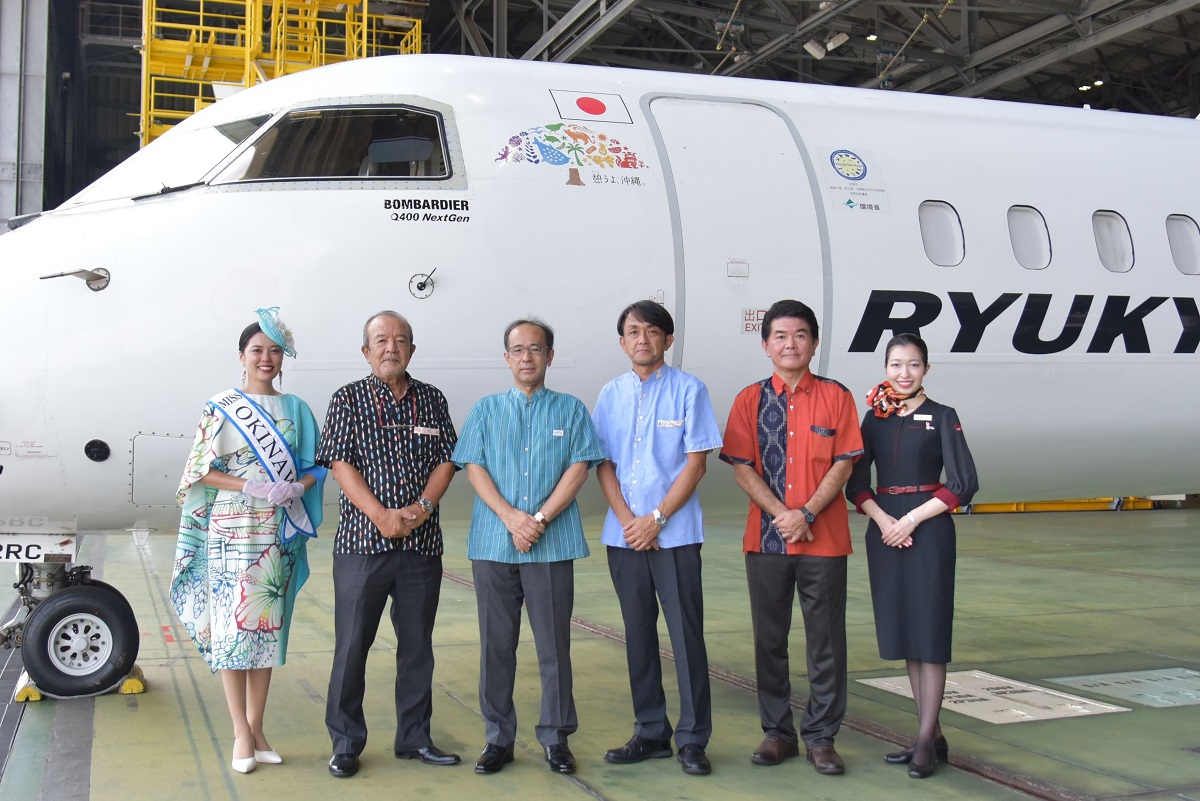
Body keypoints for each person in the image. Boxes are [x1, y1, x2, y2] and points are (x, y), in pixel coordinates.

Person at [171, 307, 326, 775]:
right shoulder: (220, 406)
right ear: (242, 356)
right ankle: (241, 731)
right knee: (234, 630)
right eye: (257, 350)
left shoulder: (297, 408)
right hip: (231, 528)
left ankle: (258, 728)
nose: (266, 358)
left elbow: (316, 466)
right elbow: (200, 471)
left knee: (266, 631)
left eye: (274, 351)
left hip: (277, 531)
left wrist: (297, 486)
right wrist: (250, 485)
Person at [452, 319, 605, 776]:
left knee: (554, 645)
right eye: (517, 350)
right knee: (496, 646)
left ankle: (556, 738)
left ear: (549, 356)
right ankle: (498, 739)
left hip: (551, 546)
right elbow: (473, 466)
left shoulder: (571, 410)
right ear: (506, 358)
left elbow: (579, 469)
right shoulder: (485, 410)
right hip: (493, 544)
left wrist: (537, 520)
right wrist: (510, 518)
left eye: (535, 349)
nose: (526, 357)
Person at [718, 299, 862, 777]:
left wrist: (808, 513)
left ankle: (821, 737)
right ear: (766, 345)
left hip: (825, 541)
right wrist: (785, 516)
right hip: (767, 541)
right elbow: (742, 467)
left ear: (814, 343)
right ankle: (777, 733)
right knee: (769, 640)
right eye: (780, 336)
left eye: (800, 335)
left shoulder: (837, 396)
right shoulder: (749, 400)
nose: (790, 344)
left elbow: (844, 463)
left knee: (826, 642)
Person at [315, 310, 460, 778]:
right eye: (380, 340)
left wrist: (421, 509)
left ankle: (414, 738)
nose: (390, 348)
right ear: (366, 351)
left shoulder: (432, 399)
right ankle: (345, 743)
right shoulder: (348, 399)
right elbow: (339, 463)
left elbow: (447, 460)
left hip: (421, 547)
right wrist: (381, 516)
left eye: (400, 340)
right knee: (351, 647)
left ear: (412, 349)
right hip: (362, 546)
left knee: (417, 647)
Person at [591, 301, 723, 776]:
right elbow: (603, 463)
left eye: (651, 331)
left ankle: (692, 738)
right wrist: (631, 521)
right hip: (624, 536)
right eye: (633, 331)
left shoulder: (689, 390)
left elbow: (696, 463)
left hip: (676, 536)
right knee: (639, 635)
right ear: (622, 342)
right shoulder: (610, 394)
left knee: (686, 636)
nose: (641, 339)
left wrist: (657, 519)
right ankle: (650, 732)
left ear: (668, 340)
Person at [845, 333, 978, 779]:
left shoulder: (942, 416)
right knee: (906, 630)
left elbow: (963, 483)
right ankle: (931, 735)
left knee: (930, 633)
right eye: (896, 365)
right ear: (885, 368)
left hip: (928, 530)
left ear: (926, 369)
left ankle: (924, 742)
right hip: (885, 532)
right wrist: (885, 521)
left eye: (914, 365)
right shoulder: (874, 419)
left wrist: (911, 520)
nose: (904, 373)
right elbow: (856, 484)